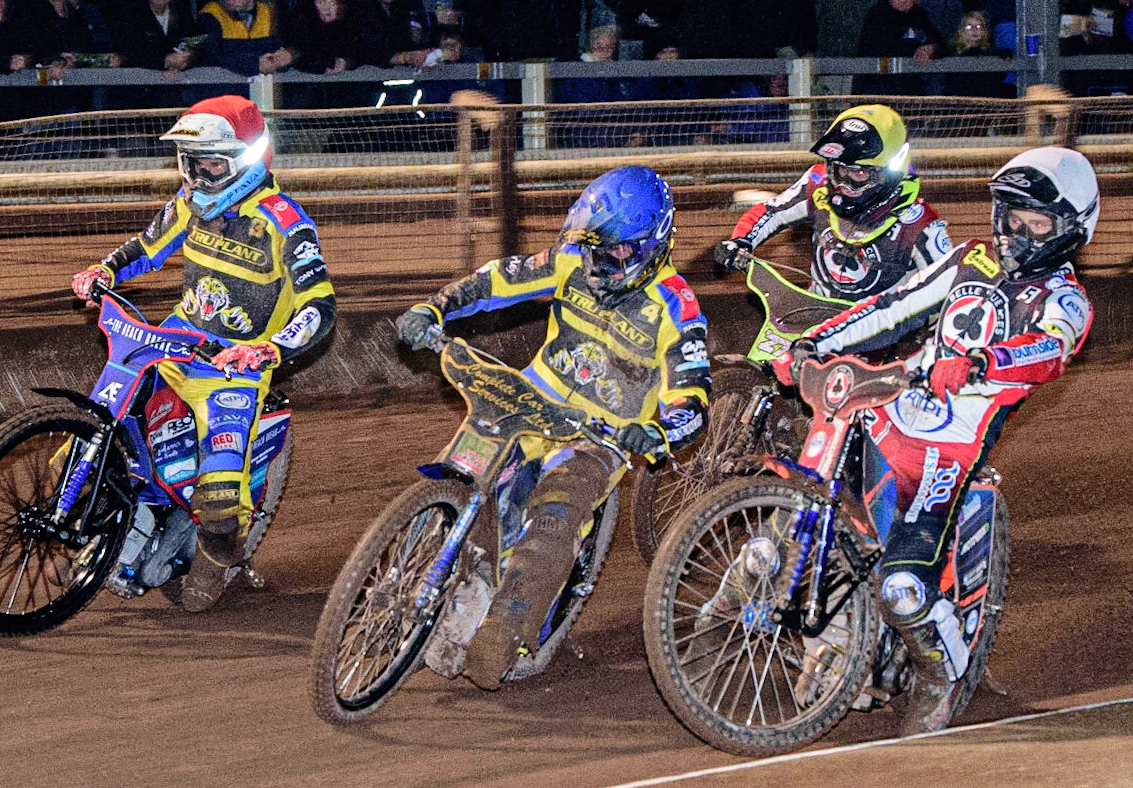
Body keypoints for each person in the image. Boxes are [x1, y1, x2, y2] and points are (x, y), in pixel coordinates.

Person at [782, 146, 1098, 733]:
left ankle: (937, 673)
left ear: (1070, 231)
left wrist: (982, 362)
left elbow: (1050, 351)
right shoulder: (967, 260)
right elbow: (892, 308)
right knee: (815, 510)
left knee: (903, 587)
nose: (1016, 232)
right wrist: (815, 344)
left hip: (950, 451)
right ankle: (824, 632)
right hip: (888, 411)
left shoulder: (1066, 299)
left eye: (1036, 223)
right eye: (1009, 215)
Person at [394, 165, 710, 689]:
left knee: (556, 513)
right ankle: (464, 570)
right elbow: (496, 279)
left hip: (600, 434)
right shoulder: (570, 262)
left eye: (614, 252)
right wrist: (435, 308)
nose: (598, 263)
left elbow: (693, 394)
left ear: (652, 243)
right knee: (471, 474)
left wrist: (658, 431)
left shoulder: (677, 307)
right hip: (528, 399)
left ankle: (506, 627)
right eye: (591, 248)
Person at [71, 96, 336, 611]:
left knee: (218, 501)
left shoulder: (286, 223)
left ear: (244, 158)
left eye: (210, 161)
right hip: (172, 343)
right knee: (97, 427)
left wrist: (269, 348)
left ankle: (216, 564)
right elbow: (146, 247)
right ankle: (95, 523)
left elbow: (320, 308)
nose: (198, 172)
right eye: (191, 161)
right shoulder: (190, 201)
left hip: (233, 369)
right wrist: (104, 269)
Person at [716, 105, 952, 303]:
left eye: (859, 173)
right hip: (812, 319)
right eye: (839, 170)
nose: (844, 184)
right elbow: (773, 212)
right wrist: (741, 241)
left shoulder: (920, 224)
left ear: (887, 173)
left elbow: (948, 287)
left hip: (881, 335)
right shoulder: (818, 183)